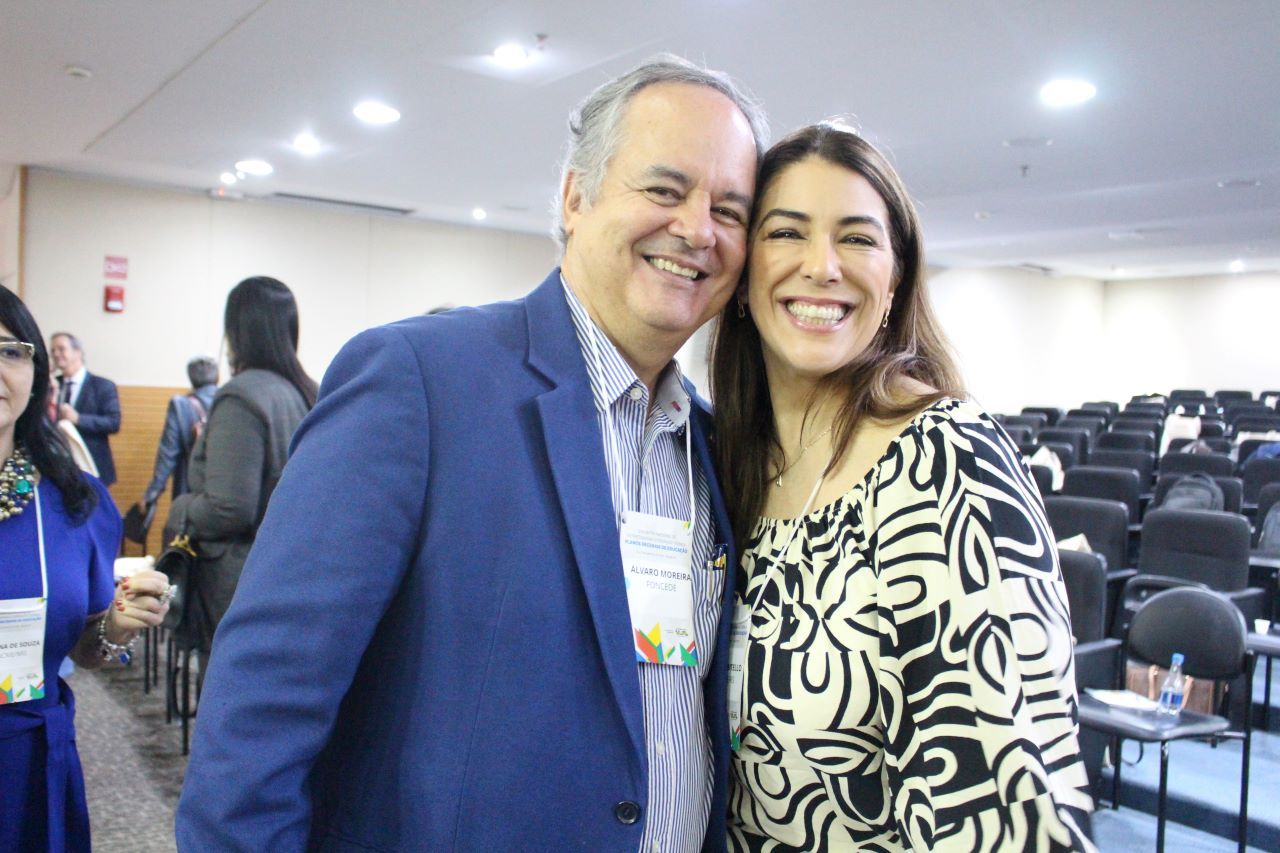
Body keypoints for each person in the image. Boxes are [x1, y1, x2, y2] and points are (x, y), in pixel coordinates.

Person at [177, 55, 765, 851]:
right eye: (665, 189)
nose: (698, 229)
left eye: (729, 209)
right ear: (576, 196)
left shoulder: (711, 445)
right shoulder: (419, 381)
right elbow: (263, 701)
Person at [711, 123, 1094, 851]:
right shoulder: (728, 461)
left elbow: (1008, 808)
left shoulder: (948, 461)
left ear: (894, 280)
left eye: (856, 238)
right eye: (786, 232)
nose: (822, 266)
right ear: (741, 273)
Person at [0, 289, 171, 852]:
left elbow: (86, 647)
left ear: (36, 376)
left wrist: (118, 626)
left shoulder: (76, 504)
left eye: (10, 351)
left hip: (25, 763)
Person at [164, 279, 314, 674]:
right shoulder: (307, 392)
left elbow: (229, 509)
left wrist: (180, 509)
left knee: (229, 690)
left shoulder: (241, 396)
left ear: (235, 332)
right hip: (291, 573)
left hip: (238, 583)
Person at [141, 355, 218, 507]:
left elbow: (168, 453)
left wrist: (152, 493)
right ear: (217, 377)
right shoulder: (232, 402)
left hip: (190, 487)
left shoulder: (180, 405)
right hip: (226, 488)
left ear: (191, 378)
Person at [50, 332, 121, 485]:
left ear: (77, 352)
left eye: (61, 349)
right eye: (53, 350)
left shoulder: (102, 386)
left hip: (92, 465)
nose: (56, 354)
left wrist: (78, 419)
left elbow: (114, 423)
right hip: (59, 466)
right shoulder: (52, 385)